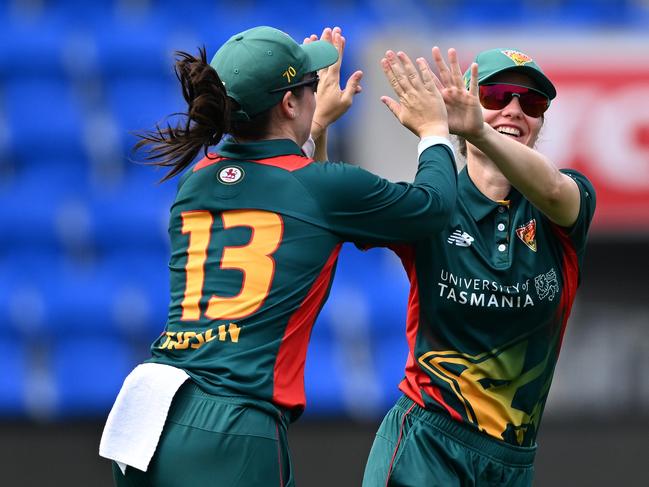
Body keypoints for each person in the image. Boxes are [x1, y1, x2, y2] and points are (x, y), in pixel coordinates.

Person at [99, 25, 459, 486]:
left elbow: (282, 185)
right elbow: (433, 207)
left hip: (149, 413)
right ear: (289, 104)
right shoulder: (323, 188)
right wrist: (433, 130)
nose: (316, 91)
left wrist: (314, 128)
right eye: (308, 85)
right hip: (233, 424)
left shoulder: (199, 181)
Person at [363, 47, 596, 486]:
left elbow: (549, 189)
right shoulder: (431, 206)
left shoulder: (565, 203)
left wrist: (482, 133)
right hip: (427, 446)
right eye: (496, 96)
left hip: (512, 461)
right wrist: (316, 134)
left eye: (532, 103)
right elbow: (324, 214)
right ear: (464, 106)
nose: (514, 110)